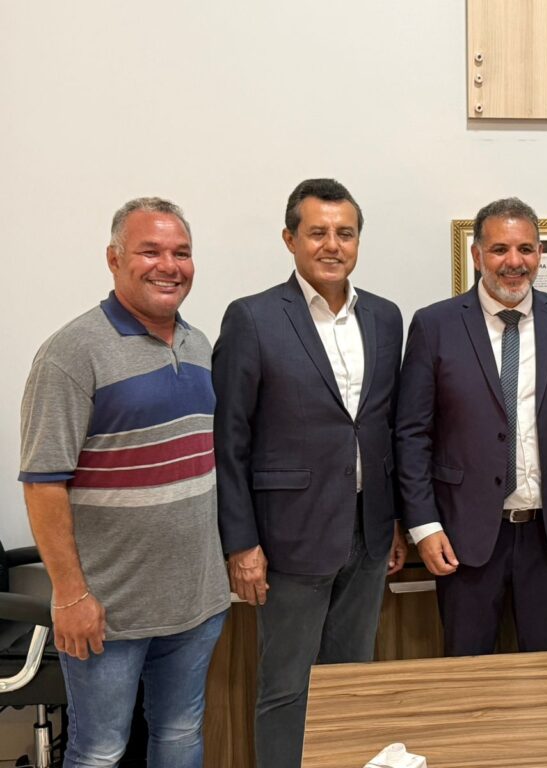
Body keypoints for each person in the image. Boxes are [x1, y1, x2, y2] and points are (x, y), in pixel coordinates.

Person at [19, 197, 230, 767]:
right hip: (108, 611)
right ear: (114, 259)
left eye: (181, 252)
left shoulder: (199, 345)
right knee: (99, 750)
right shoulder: (71, 354)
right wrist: (72, 596)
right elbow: (42, 485)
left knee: (181, 734)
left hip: (196, 603)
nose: (169, 266)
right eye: (150, 251)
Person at [213, 178, 407, 767]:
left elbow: (386, 427)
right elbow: (230, 441)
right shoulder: (253, 318)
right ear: (290, 239)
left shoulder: (385, 317)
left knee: (352, 680)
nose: (332, 245)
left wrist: (395, 521)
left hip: (369, 533)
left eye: (344, 233)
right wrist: (241, 543)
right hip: (288, 537)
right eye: (317, 232)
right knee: (287, 688)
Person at [396, 197, 547, 656]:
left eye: (525, 249)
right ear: (477, 255)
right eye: (499, 249)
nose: (514, 262)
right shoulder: (435, 325)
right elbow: (412, 435)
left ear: (540, 254)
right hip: (463, 536)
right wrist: (423, 524)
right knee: (468, 672)